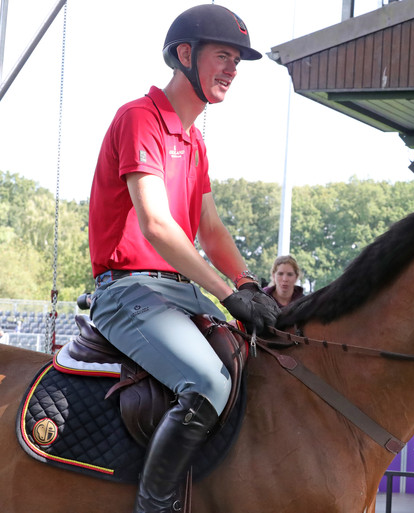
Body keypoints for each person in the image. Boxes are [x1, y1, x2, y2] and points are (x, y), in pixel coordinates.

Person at [86, 5, 280, 512]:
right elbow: (157, 224)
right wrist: (228, 293)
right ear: (186, 54)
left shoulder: (196, 141)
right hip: (128, 291)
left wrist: (251, 284)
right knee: (209, 382)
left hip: (178, 292)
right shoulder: (138, 117)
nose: (233, 69)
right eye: (224, 55)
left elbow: (211, 231)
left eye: (237, 60)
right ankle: (155, 505)